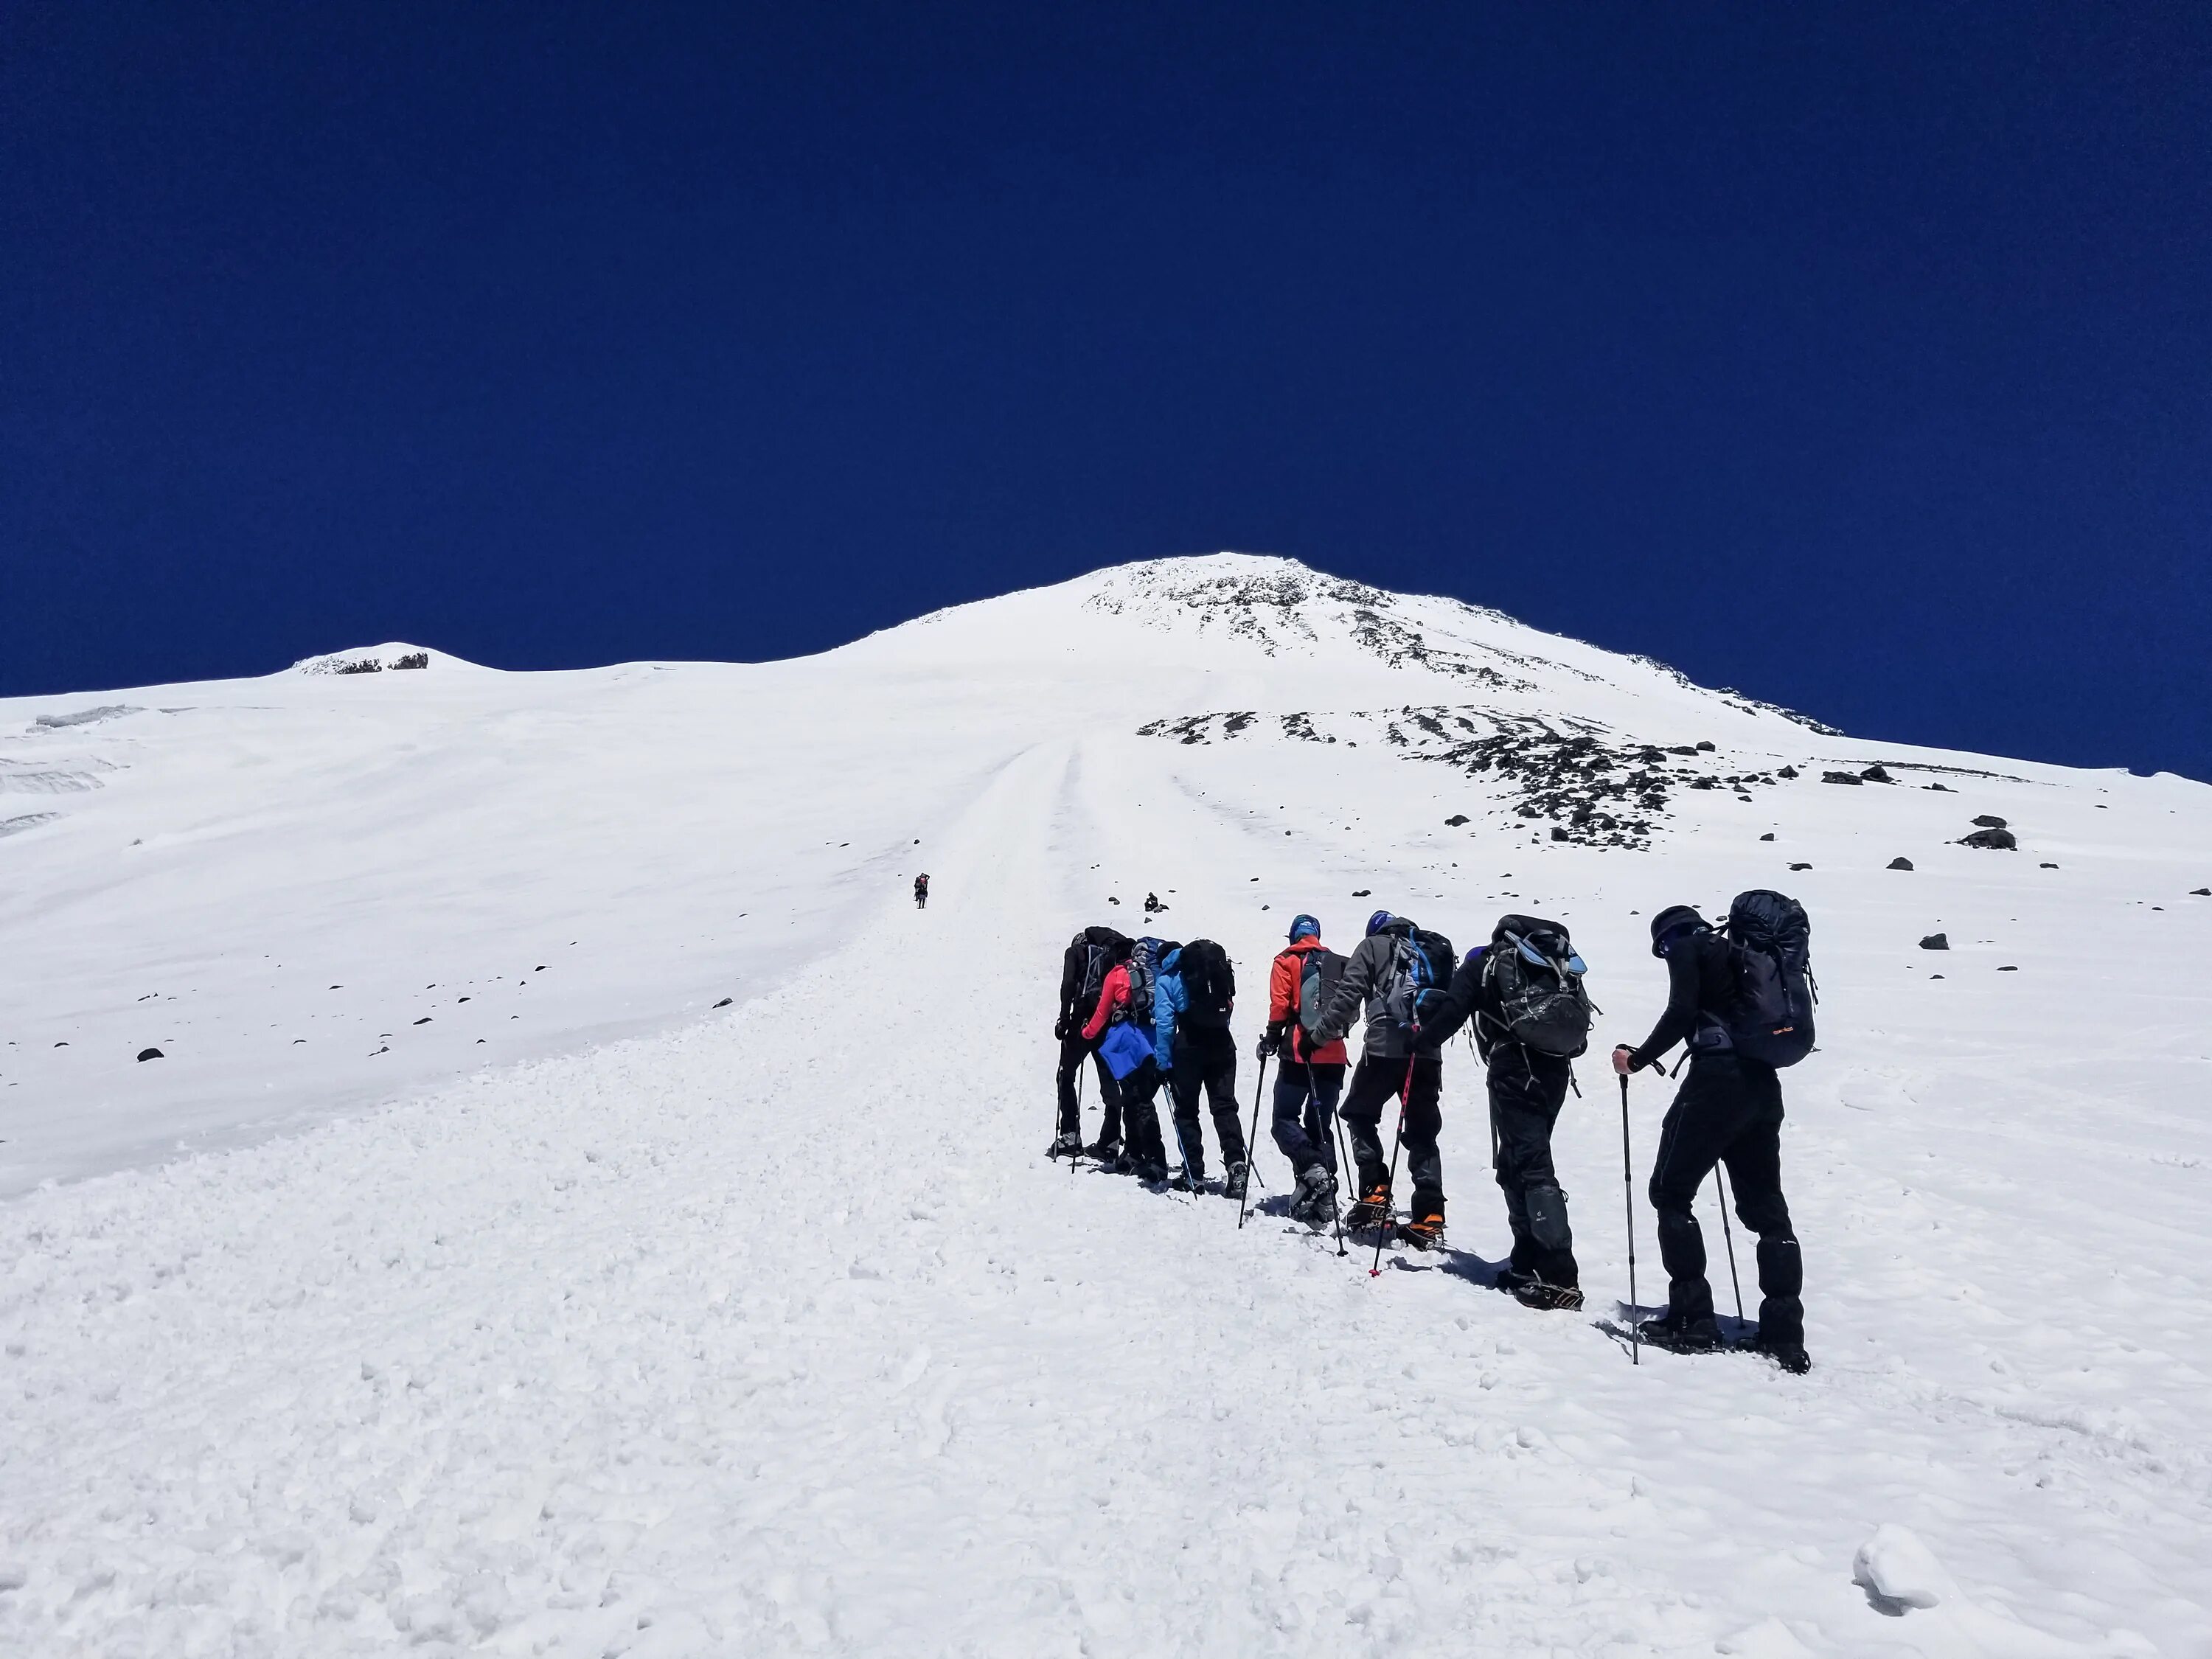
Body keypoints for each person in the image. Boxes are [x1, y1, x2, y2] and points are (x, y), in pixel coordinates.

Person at [1612, 905, 1809, 1374]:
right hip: (1762, 1084)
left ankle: (1692, 1319)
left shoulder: (1687, 947)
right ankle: (1785, 1335)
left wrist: (1637, 1060)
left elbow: (1681, 1011)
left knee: (1670, 1192)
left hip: (1717, 1081)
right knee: (1766, 1210)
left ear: (1666, 939)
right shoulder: (1737, 953)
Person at [1420, 916, 1587, 1310]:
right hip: (1555, 1069)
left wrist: (1419, 1043)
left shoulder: (1486, 964)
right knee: (1517, 1159)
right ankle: (1527, 1260)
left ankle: (1560, 1275)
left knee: (1531, 1164)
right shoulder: (1556, 964)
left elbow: (1450, 1013)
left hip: (1514, 1068)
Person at [1308, 909, 1452, 1247]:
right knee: (1422, 1132)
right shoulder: (1430, 949)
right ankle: (1430, 1215)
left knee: (1359, 1114)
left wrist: (1319, 1036)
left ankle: (1375, 1193)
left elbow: (1348, 996)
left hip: (1385, 1050)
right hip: (1427, 1053)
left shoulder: (1372, 946)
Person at [1259, 915, 1349, 1225]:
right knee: (1320, 1123)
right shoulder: (1336, 962)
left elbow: (1280, 1006)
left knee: (1283, 1119)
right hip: (1335, 1054)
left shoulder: (1287, 961)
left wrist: (1271, 1039)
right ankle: (1322, 1191)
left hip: (1299, 1051)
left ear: (1294, 936)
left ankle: (1313, 1172)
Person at [1157, 940, 1249, 1199]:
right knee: (1224, 1105)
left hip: (1189, 1047)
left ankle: (1193, 1172)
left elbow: (1165, 1025)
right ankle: (1236, 1163)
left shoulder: (1168, 978)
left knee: (1186, 1110)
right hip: (1222, 1043)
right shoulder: (1213, 967)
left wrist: (1162, 1063)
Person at [1082, 937, 1172, 1183]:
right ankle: (1133, 1153)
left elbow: (1101, 1013)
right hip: (1158, 1044)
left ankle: (1156, 1159)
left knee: (1139, 1102)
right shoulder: (1159, 974)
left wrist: (1086, 1033)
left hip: (1130, 1045)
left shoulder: (1118, 974)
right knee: (1134, 1099)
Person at [1050, 925, 1127, 1159]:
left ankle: (1071, 1136)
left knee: (1066, 1074)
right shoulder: (1108, 956)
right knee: (1109, 1077)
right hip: (1106, 1021)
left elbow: (1068, 985)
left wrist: (1064, 1018)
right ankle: (1111, 1140)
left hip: (1081, 1019)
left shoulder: (1074, 953)